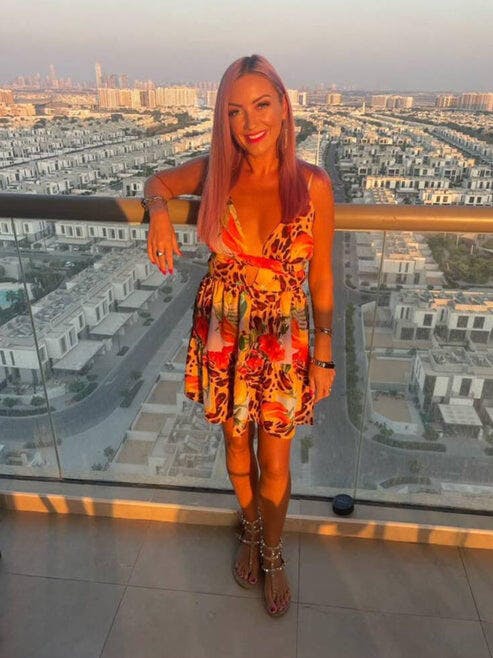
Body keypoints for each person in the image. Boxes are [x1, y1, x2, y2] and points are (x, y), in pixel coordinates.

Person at [144, 54, 335, 618]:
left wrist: (324, 353)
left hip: (281, 338)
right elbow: (157, 183)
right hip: (225, 329)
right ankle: (251, 528)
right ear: (222, 119)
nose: (250, 122)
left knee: (274, 458)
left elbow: (322, 276)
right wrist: (159, 212)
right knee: (234, 445)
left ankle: (273, 552)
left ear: (284, 107)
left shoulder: (313, 184)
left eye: (261, 104)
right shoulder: (215, 174)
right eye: (234, 111)